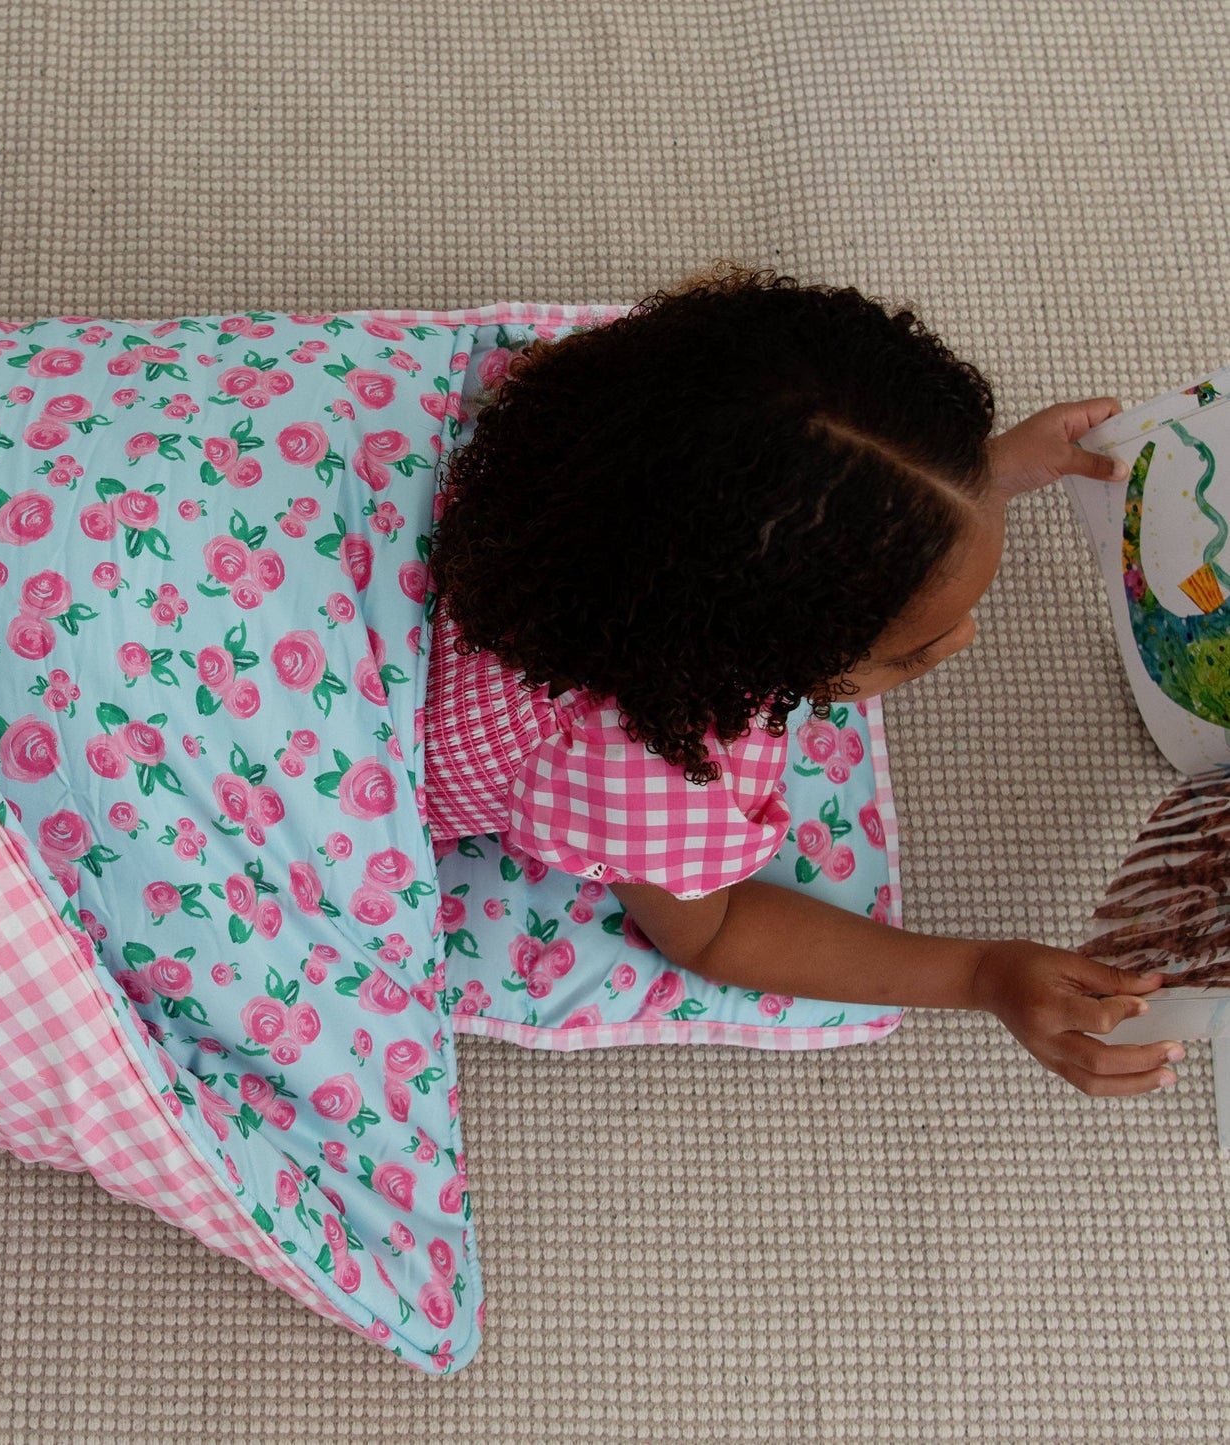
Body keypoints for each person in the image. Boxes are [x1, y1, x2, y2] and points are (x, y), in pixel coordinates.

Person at [425, 262, 1180, 1097]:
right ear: (743, 662)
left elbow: (787, 498)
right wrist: (980, 975)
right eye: (910, 651)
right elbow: (713, 936)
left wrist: (968, 480)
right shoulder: (645, 778)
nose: (965, 639)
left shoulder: (612, 442)